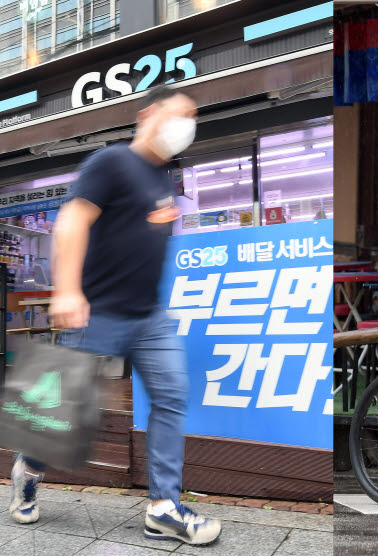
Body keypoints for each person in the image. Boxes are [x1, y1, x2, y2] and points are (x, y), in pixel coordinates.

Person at [8, 84, 221, 545]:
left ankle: (164, 507)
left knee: (170, 397)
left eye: (193, 116)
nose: (187, 124)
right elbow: (72, 219)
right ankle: (30, 467)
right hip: (98, 311)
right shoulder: (111, 161)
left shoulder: (162, 179)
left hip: (150, 317)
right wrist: (66, 290)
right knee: (64, 407)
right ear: (148, 115)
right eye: (180, 114)